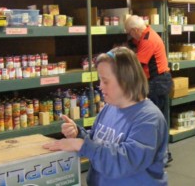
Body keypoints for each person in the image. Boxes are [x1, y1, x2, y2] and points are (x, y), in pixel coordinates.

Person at [43, 46, 168, 186]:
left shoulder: (149, 119)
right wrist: (78, 134)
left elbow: (125, 162)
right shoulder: (110, 108)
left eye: (105, 81)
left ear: (126, 80)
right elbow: (99, 140)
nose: (100, 86)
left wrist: (82, 145)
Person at [124, 15, 173, 163]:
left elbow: (137, 64)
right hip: (157, 82)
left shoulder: (148, 40)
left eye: (130, 32)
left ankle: (162, 156)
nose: (130, 36)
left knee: (156, 121)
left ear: (135, 30)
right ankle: (161, 155)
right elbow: (133, 43)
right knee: (156, 120)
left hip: (158, 83)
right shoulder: (146, 34)